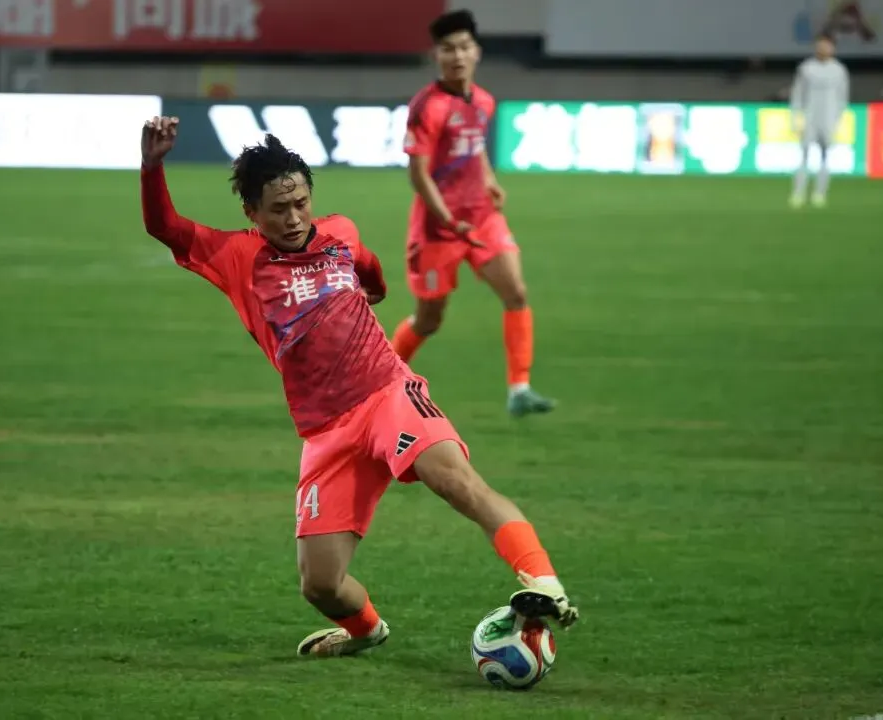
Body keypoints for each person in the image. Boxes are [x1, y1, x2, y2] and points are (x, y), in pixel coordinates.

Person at [139, 115, 579, 659]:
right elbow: (165, 227)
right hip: (325, 429)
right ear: (251, 212)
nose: (293, 217)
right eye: (278, 209)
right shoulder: (236, 257)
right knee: (321, 584)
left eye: (300, 203)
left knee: (454, 480)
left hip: (387, 392)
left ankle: (544, 584)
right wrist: (152, 166)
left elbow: (369, 269)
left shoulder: (339, 232)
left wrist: (370, 290)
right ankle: (366, 630)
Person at [389, 10, 554, 417]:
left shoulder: (483, 101)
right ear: (436, 56)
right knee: (429, 320)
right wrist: (448, 219)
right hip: (437, 230)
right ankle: (379, 381)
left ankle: (519, 389)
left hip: (481, 219)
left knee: (516, 292)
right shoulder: (426, 107)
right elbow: (418, 174)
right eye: (448, 49)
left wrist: (489, 180)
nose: (457, 56)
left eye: (464, 47)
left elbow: (474, 146)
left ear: (477, 52)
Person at [789, 33, 849, 209]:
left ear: (833, 48)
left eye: (827, 46)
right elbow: (798, 94)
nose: (823, 49)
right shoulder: (806, 68)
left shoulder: (839, 70)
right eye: (821, 45)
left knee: (825, 157)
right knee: (804, 156)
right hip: (810, 117)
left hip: (828, 119)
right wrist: (795, 117)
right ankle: (798, 193)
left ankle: (819, 193)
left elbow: (842, 97)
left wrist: (838, 119)